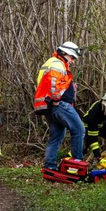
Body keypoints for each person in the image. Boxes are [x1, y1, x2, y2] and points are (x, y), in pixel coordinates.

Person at [33, 41, 84, 172]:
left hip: (49, 106)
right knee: (79, 129)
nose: (73, 61)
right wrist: (56, 99)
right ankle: (76, 165)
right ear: (65, 53)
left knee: (56, 136)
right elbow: (53, 84)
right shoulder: (57, 64)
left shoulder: (51, 62)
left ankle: (49, 165)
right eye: (72, 58)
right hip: (58, 104)